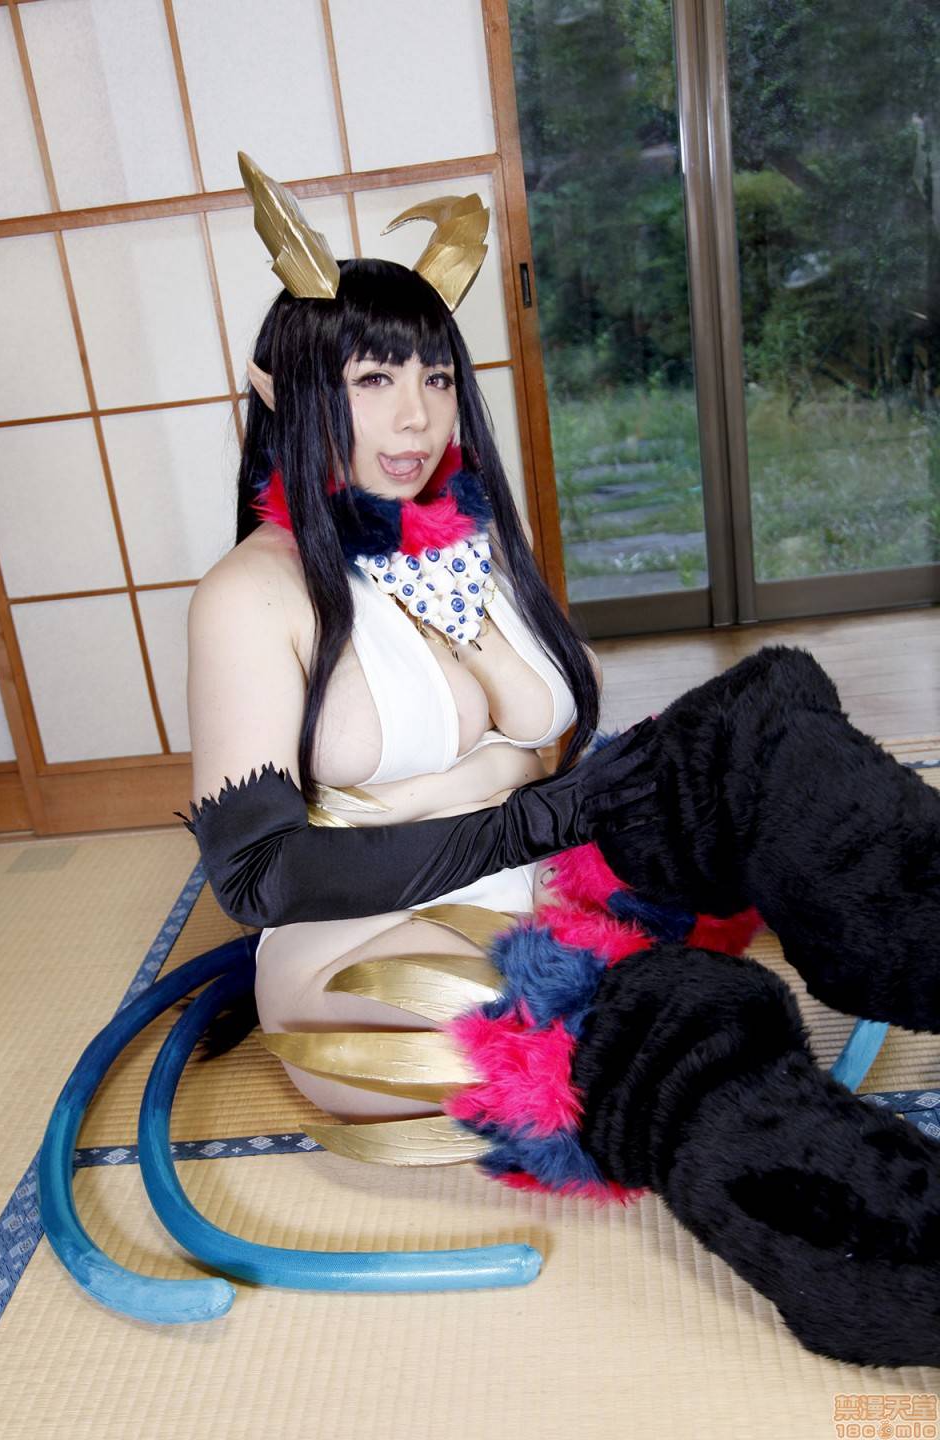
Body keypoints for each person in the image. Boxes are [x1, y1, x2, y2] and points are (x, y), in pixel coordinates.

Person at [185, 155, 940, 1367]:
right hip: (368, 957)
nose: (418, 416)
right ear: (284, 390)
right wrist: (516, 814)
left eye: (436, 375)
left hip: (541, 871)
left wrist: (516, 772)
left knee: (762, 722)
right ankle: (906, 1262)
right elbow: (258, 878)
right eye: (374, 378)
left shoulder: (459, 537)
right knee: (691, 1018)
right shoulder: (250, 595)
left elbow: (557, 728)